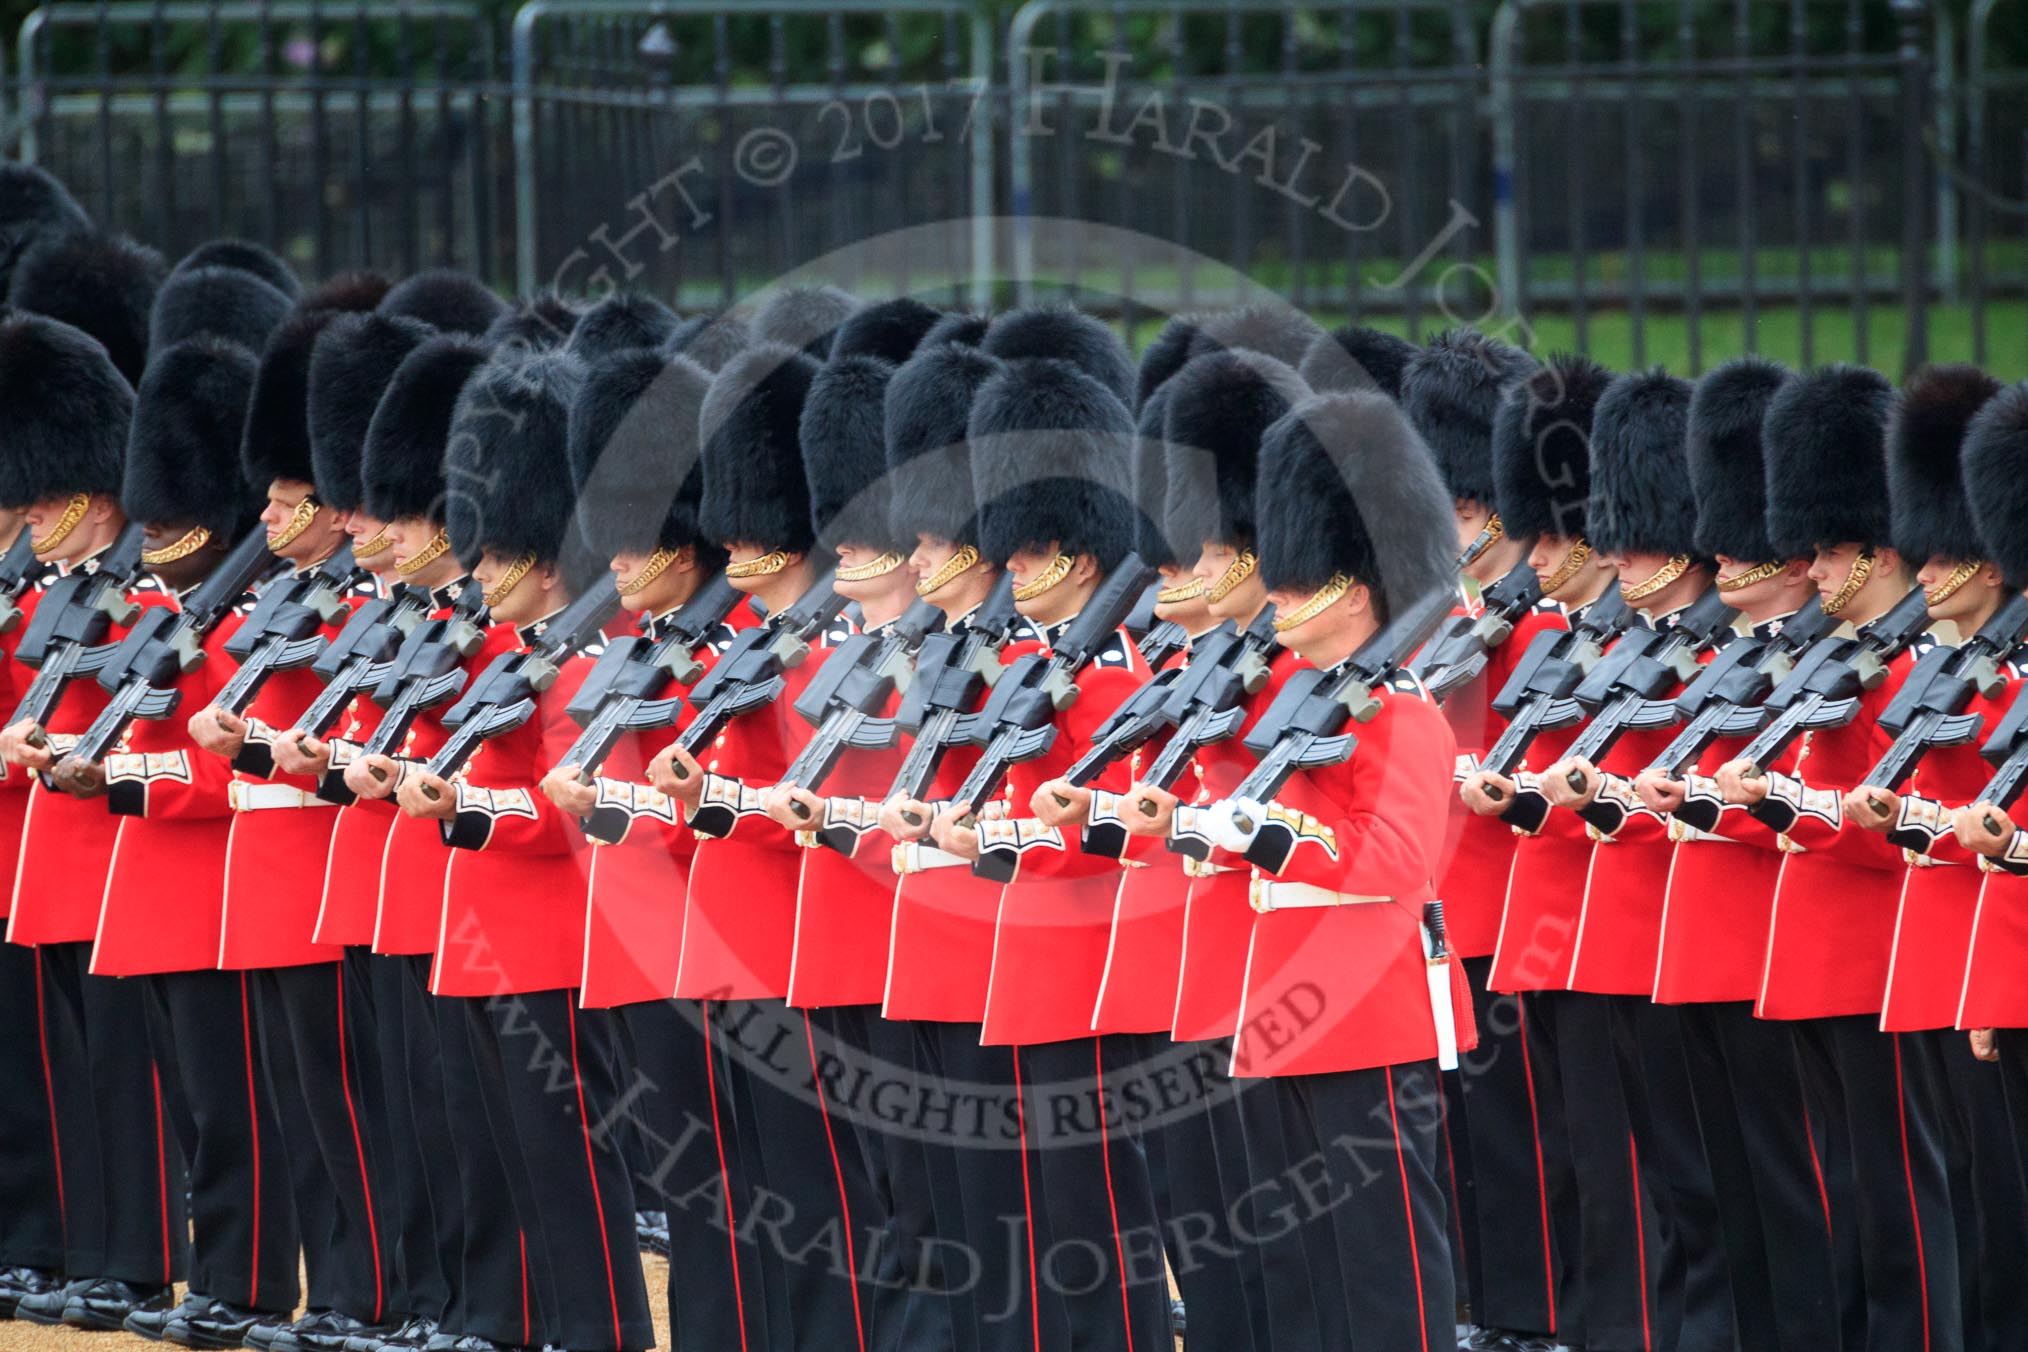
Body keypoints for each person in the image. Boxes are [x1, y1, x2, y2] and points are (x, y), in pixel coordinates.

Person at [1167, 386, 1466, 1351]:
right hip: (1285, 1000)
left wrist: (1263, 832)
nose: (1280, 597)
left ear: (1355, 586)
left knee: (1382, 1259)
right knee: (1306, 1264)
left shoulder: (1400, 709)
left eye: (1301, 584)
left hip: (1368, 1009)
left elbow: (1396, 857)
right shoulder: (1300, 701)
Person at [392, 350, 653, 1352]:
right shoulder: (498, 654)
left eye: (496, 558)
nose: (479, 573)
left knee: (563, 1154)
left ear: (547, 561)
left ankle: (601, 1326)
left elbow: (559, 813)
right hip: (478, 933)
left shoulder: (583, 664)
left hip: (549, 938)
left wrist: (464, 800)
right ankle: (506, 1317)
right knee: (490, 1147)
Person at [924, 311, 1170, 1352]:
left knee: (1094, 1199)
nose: (1013, 564)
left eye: (1032, 549)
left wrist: (999, 835)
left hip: (1085, 949)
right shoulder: (1036, 653)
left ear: (1076, 552)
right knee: (1035, 1201)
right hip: (1024, 945)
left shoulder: (1110, 665)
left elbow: (1107, 820)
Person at [1713, 365, 1961, 1352]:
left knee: (1900, 1191)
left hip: (1875, 957)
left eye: (1827, 551)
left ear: (1877, 552)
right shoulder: (1842, 659)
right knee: (1849, 1192)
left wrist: (1788, 806)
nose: (1811, 569)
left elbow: (1902, 829)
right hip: (1814, 958)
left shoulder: (1912, 671)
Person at [542, 330, 764, 1352]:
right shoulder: (636, 645)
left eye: (634, 542)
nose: (616, 560)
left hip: (715, 940)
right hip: (638, 933)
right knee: (686, 1186)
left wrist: (624, 802)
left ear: (681, 545)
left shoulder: (729, 650)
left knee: (729, 1182)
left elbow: (734, 800)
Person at [1631, 354, 1846, 1352]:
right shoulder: (1728, 653)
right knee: (1720, 1177)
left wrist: (1730, 804)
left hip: (1771, 942)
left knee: (1791, 1178)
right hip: (1702, 939)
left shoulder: (1825, 657)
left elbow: (1814, 801)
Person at [1462, 355, 1649, 1352]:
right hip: (1534, 904)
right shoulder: (1532, 625)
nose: (1537, 552)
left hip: (1598, 909)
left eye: (1549, 533)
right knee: (1549, 1138)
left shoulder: (1619, 636)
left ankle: (1598, 1317)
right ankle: (1550, 1313)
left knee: (1614, 1148)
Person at [1843, 365, 2026, 1350]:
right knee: (1973, 1202)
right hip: (1953, 960)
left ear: (1989, 566)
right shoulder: (1959, 672)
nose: (1922, 573)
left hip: (1996, 960)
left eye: (1943, 555)